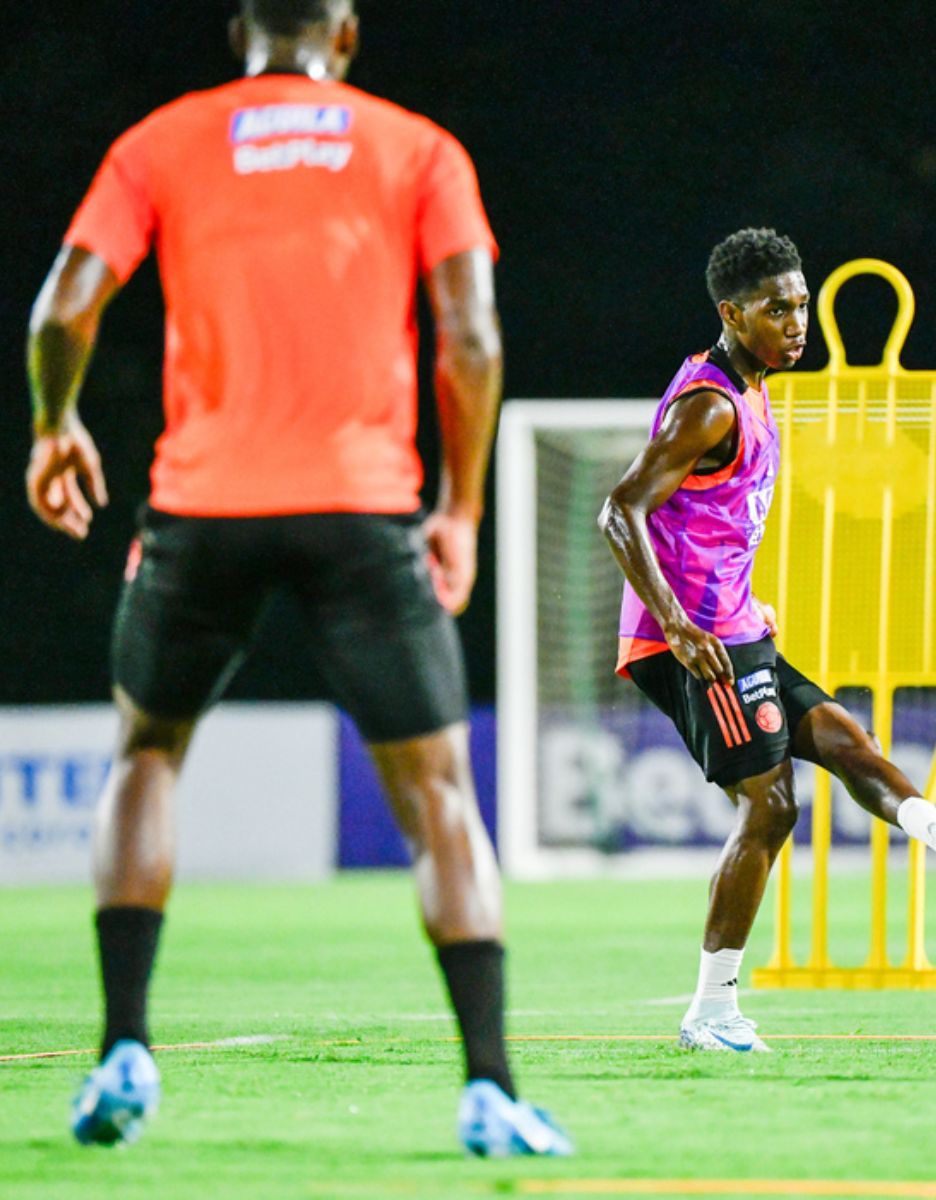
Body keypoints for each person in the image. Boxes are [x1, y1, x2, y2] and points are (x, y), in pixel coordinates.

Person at [25, 0, 571, 1157]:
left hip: (201, 504)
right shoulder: (417, 147)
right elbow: (470, 339)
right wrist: (461, 508)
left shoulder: (162, 141)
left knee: (146, 757)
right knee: (437, 801)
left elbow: (63, 306)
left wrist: (54, 424)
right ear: (347, 33)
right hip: (361, 505)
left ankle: (125, 1045)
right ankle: (490, 1087)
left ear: (240, 34)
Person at [598, 227, 936, 1053]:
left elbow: (708, 522)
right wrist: (678, 621)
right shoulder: (710, 406)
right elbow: (619, 508)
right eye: (778, 309)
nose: (797, 321)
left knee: (848, 740)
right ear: (733, 313)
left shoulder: (756, 385)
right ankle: (713, 1010)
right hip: (689, 643)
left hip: (731, 624)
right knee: (770, 807)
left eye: (802, 304)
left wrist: (733, 602)